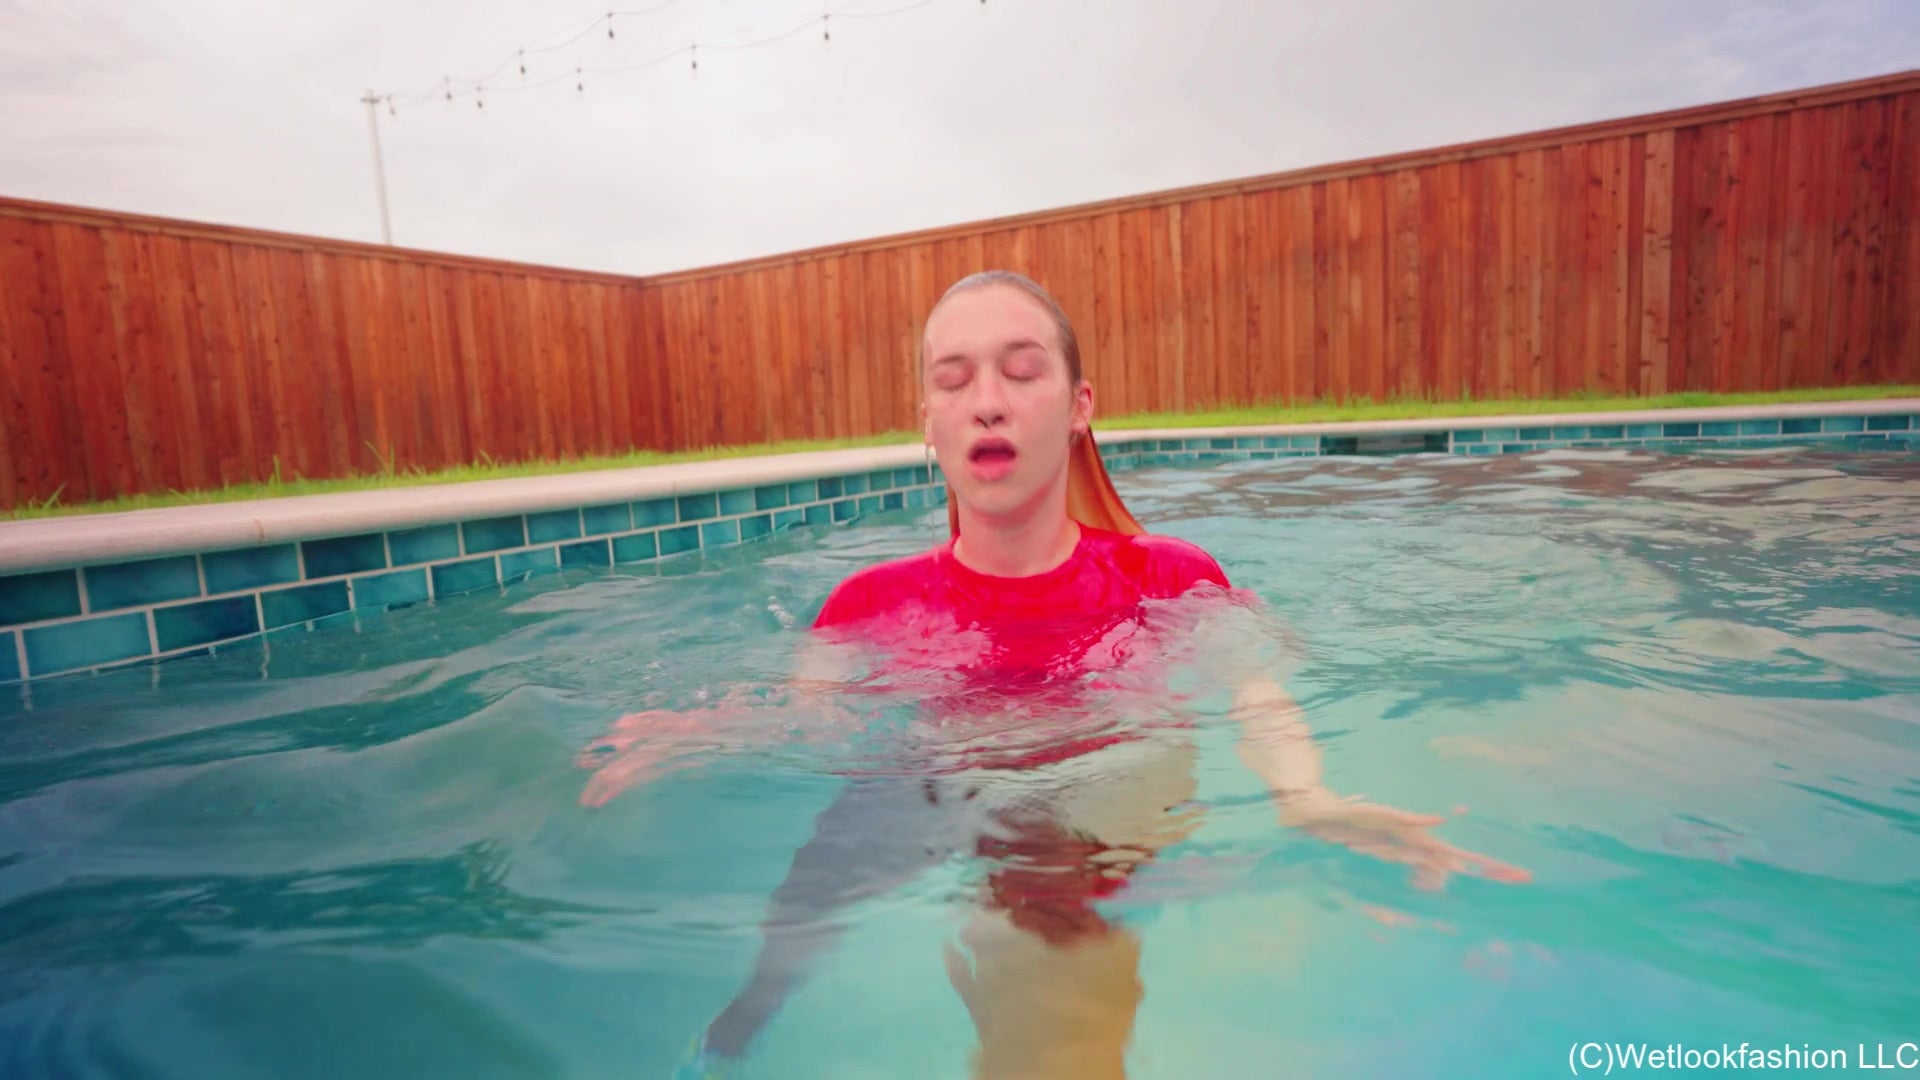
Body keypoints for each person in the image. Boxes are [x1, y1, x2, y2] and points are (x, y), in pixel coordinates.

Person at [577, 270, 1530, 1078]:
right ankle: (737, 1033)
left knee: (1057, 967)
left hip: (1103, 809)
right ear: (930, 423)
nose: (986, 399)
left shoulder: (1174, 577)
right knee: (791, 936)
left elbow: (1255, 685)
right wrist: (707, 733)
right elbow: (812, 724)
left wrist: (1308, 797)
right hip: (936, 785)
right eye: (954, 381)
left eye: (1021, 371)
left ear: (1079, 408)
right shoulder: (864, 607)